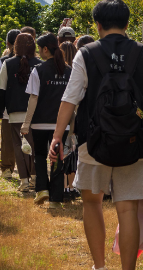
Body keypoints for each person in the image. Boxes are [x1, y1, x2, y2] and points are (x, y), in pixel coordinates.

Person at [50, 0, 143, 270]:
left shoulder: (86, 54)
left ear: (97, 25)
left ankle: (99, 266)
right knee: (127, 207)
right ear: (127, 23)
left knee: (91, 201)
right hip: (136, 141)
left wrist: (57, 137)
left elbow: (70, 99)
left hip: (93, 139)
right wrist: (138, 107)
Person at [21, 33, 72, 209]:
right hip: (62, 124)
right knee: (57, 157)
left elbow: (33, 100)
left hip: (40, 122)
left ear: (45, 49)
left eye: (39, 49)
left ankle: (42, 189)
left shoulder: (39, 70)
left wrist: (26, 124)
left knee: (41, 155)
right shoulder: (69, 72)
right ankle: (56, 199)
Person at [0, 33, 41, 192]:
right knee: (35, 148)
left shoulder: (7, 64)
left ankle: (24, 182)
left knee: (19, 147)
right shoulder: (39, 64)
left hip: (14, 113)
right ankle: (35, 178)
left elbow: (1, 91)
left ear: (15, 46)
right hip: (37, 114)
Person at [0, 29, 21, 180]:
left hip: (8, 107)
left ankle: (7, 168)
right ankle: (29, 171)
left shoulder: (3, 61)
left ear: (7, 43)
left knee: (8, 139)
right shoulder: (33, 61)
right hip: (28, 107)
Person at [58, 40, 79, 200]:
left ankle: (63, 185)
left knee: (63, 151)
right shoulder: (77, 70)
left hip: (60, 115)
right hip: (75, 116)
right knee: (73, 151)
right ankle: (71, 186)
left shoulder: (59, 70)